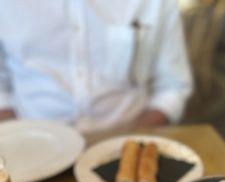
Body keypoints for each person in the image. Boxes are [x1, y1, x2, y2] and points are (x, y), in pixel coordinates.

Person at [0, 0, 193, 134]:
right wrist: (16, 140)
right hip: (32, 140)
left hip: (126, 136)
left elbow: (173, 87)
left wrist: (133, 141)